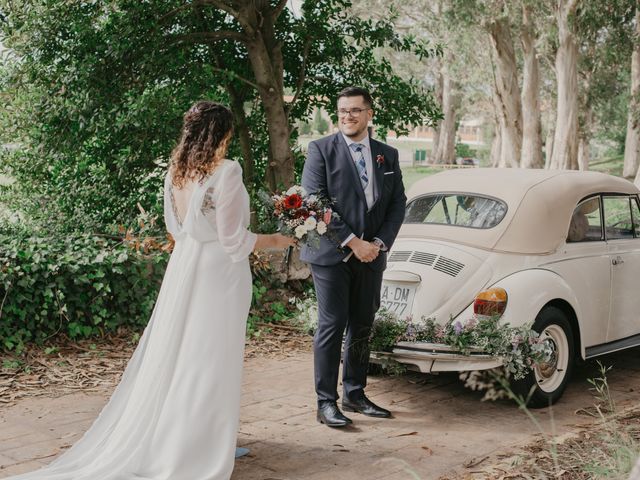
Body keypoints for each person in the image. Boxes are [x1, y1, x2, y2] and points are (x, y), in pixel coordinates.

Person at [8, 101, 294, 480]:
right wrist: (278, 239)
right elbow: (232, 239)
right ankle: (201, 444)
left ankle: (187, 438)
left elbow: (175, 231)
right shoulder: (227, 171)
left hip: (186, 265)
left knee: (181, 353)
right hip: (217, 272)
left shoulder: (176, 171)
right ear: (222, 134)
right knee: (210, 357)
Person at [301, 86, 406, 428]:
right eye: (343, 110)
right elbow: (315, 202)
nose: (347, 116)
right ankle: (326, 402)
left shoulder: (387, 155)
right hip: (331, 255)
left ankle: (355, 394)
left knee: (362, 325)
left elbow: (396, 204)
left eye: (355, 111)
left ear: (369, 114)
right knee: (332, 326)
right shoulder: (321, 150)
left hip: (372, 255)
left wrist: (377, 242)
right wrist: (351, 241)